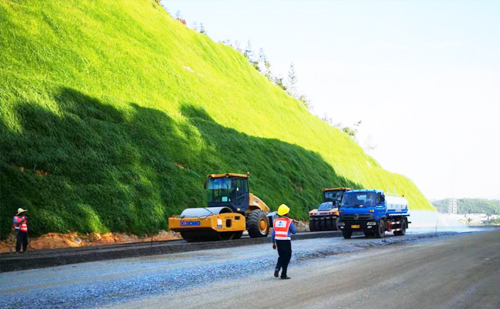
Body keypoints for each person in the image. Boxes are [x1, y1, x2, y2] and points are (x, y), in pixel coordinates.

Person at [271, 204, 297, 279]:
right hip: (286, 241)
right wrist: (293, 224)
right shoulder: (289, 221)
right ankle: (283, 274)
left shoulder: (275, 221)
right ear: (286, 213)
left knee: (281, 256)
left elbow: (273, 233)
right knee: (287, 256)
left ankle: (277, 268)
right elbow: (294, 231)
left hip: (278, 241)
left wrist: (273, 243)